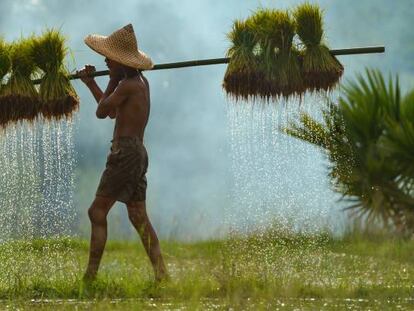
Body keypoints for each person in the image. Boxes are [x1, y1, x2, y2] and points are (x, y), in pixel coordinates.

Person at [77, 24, 168, 282]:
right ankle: (162, 276)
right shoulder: (138, 82)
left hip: (126, 153)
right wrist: (100, 81)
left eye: (109, 58)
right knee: (137, 215)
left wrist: (100, 80)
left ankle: (90, 278)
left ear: (119, 61)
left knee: (96, 212)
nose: (105, 60)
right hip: (136, 152)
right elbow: (112, 111)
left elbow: (101, 111)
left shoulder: (128, 84)